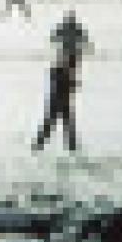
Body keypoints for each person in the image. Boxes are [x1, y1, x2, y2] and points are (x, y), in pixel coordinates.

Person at [33, 10, 91, 152]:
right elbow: (83, 39)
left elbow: (55, 37)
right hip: (63, 87)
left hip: (59, 88)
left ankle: (42, 145)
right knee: (64, 120)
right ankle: (68, 146)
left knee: (56, 119)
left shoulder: (62, 65)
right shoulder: (69, 62)